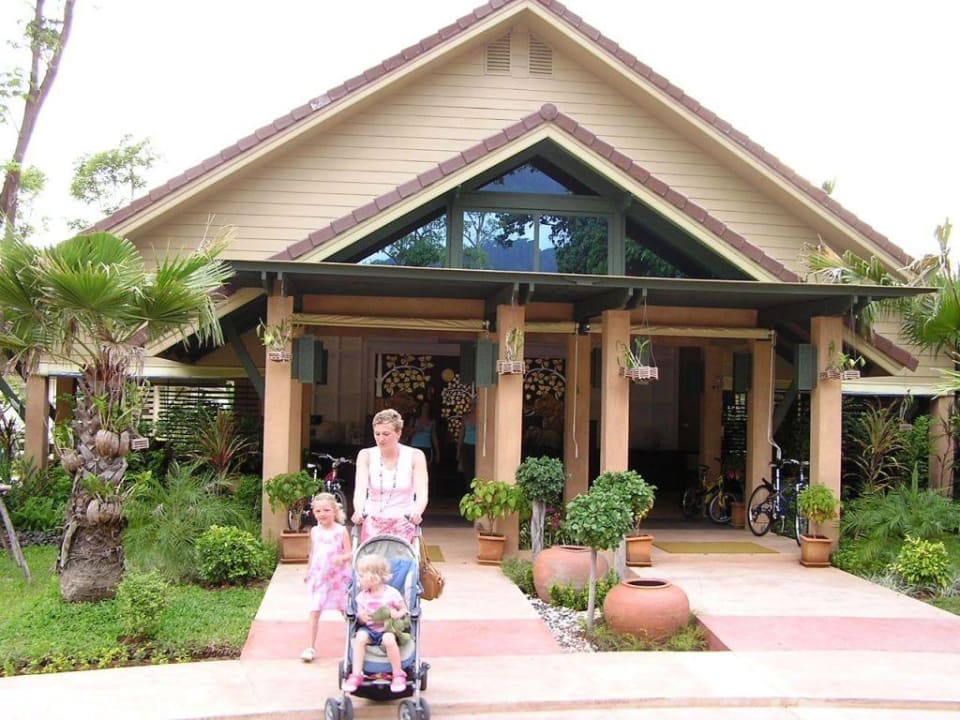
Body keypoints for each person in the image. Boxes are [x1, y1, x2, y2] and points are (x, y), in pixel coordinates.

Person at [352, 408, 429, 543]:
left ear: (398, 433)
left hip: (403, 520)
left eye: (386, 434)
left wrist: (417, 511)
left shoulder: (415, 456)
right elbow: (360, 489)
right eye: (377, 434)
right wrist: (358, 510)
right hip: (373, 519)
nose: (381, 439)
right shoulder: (366, 455)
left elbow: (422, 493)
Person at [341, 553, 410, 694]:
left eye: (361, 576)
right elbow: (359, 616)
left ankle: (398, 673)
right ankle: (356, 674)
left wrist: (397, 614)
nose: (358, 579)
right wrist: (361, 617)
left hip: (387, 628)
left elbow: (404, 609)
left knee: (389, 639)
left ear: (374, 578)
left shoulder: (392, 594)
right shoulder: (362, 596)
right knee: (360, 638)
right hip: (370, 629)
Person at [300, 492, 352, 662]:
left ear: (334, 511)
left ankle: (356, 639)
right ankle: (309, 646)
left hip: (337, 579)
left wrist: (341, 559)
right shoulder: (315, 531)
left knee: (345, 610)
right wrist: (308, 571)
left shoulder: (341, 530)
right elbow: (312, 553)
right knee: (314, 611)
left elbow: (350, 553)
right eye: (318, 511)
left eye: (326, 510)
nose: (322, 514)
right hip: (320, 577)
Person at [456, 404, 477, 485]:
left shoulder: (482, 415)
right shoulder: (465, 417)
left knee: (477, 470)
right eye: (471, 405)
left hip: (477, 447)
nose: (473, 407)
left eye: (474, 404)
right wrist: (458, 451)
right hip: (467, 446)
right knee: (468, 471)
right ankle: (469, 491)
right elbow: (461, 434)